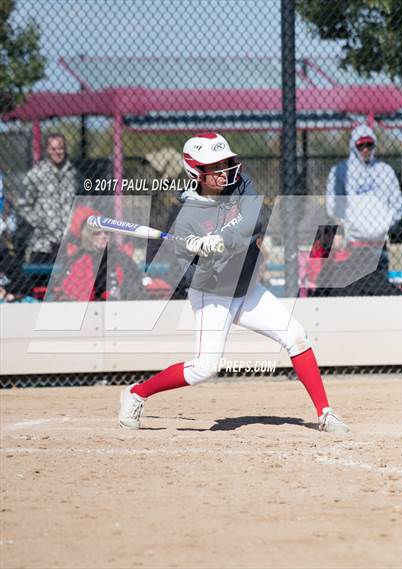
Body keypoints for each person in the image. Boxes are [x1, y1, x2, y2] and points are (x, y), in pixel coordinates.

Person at [119, 133, 349, 433]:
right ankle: (137, 393)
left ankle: (325, 412)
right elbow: (189, 278)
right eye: (215, 166)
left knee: (296, 335)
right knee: (205, 368)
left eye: (226, 162)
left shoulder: (241, 184)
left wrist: (222, 240)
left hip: (248, 286)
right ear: (195, 173)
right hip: (212, 294)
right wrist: (204, 257)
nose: (225, 170)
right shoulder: (186, 219)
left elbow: (256, 217)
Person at [322, 124, 402, 295]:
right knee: (353, 290)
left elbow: (397, 205)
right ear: (354, 146)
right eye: (361, 145)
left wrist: (381, 227)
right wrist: (349, 224)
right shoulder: (341, 171)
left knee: (379, 289)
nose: (365, 149)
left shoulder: (385, 171)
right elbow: (332, 204)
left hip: (378, 244)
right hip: (352, 245)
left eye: (369, 145)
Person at [56, 205, 144, 301]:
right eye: (97, 233)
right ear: (87, 235)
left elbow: (134, 284)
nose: (104, 237)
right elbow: (68, 289)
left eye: (106, 233)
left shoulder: (120, 258)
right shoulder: (76, 259)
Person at [18, 133, 78, 264]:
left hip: (68, 243)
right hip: (42, 244)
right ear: (47, 150)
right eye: (53, 148)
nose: (57, 152)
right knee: (40, 283)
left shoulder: (74, 175)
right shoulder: (36, 174)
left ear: (65, 149)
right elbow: (23, 205)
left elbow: (82, 203)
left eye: (60, 148)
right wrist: (40, 222)